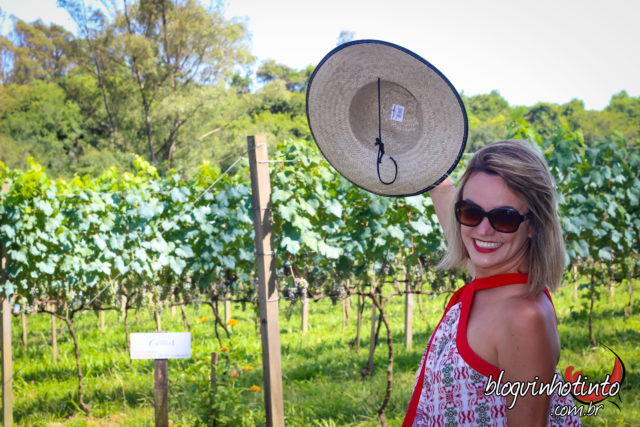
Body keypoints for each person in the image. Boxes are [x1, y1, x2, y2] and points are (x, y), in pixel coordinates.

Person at [403, 140, 582, 426]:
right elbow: (466, 228)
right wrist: (433, 171)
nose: (483, 230)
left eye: (504, 218)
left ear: (534, 225)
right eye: (470, 212)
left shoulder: (523, 317)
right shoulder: (493, 280)